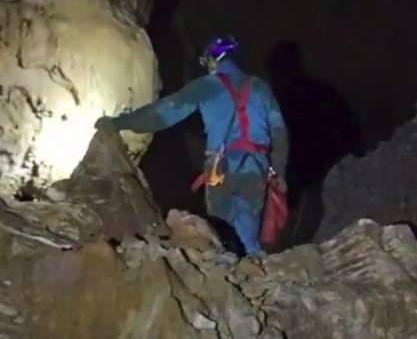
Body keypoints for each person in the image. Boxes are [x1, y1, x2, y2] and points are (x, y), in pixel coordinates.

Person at [96, 37, 288, 256]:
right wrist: (279, 172)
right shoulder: (260, 88)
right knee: (248, 234)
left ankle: (229, 278)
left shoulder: (208, 85)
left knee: (222, 231)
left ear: (214, 59)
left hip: (220, 167)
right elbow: (280, 133)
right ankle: (253, 270)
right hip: (255, 167)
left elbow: (165, 112)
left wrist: (121, 122)